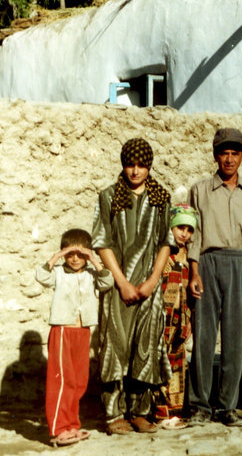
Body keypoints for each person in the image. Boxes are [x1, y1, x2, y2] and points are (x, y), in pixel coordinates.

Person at [92, 138, 173, 435]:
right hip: (118, 286)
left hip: (149, 287)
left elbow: (167, 241)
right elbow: (102, 242)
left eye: (141, 165)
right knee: (115, 346)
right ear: (123, 164)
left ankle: (140, 411)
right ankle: (114, 415)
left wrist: (152, 282)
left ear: (149, 166)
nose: (135, 171)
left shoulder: (161, 198)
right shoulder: (109, 196)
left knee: (145, 345)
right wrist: (122, 282)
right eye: (130, 164)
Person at [187, 128, 242, 427]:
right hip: (207, 262)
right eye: (224, 153)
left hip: (240, 264)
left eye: (235, 153)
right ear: (215, 155)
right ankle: (199, 405)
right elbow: (195, 233)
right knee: (204, 337)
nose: (229, 159)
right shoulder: (200, 189)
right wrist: (194, 270)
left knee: (234, 338)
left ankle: (227, 407)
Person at [35, 228, 114, 446]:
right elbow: (41, 275)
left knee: (79, 381)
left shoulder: (91, 274)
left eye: (81, 255)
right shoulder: (59, 273)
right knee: (62, 381)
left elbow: (107, 282)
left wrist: (94, 260)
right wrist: (58, 256)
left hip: (82, 331)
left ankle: (72, 425)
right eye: (71, 254)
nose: (75, 259)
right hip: (62, 332)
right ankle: (59, 429)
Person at [153, 204, 199, 430]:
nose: (184, 234)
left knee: (178, 364)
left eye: (189, 230)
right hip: (162, 318)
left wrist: (189, 319)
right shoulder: (162, 252)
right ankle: (161, 413)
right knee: (161, 362)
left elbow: (188, 293)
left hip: (181, 319)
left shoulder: (190, 257)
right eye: (180, 227)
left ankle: (175, 411)